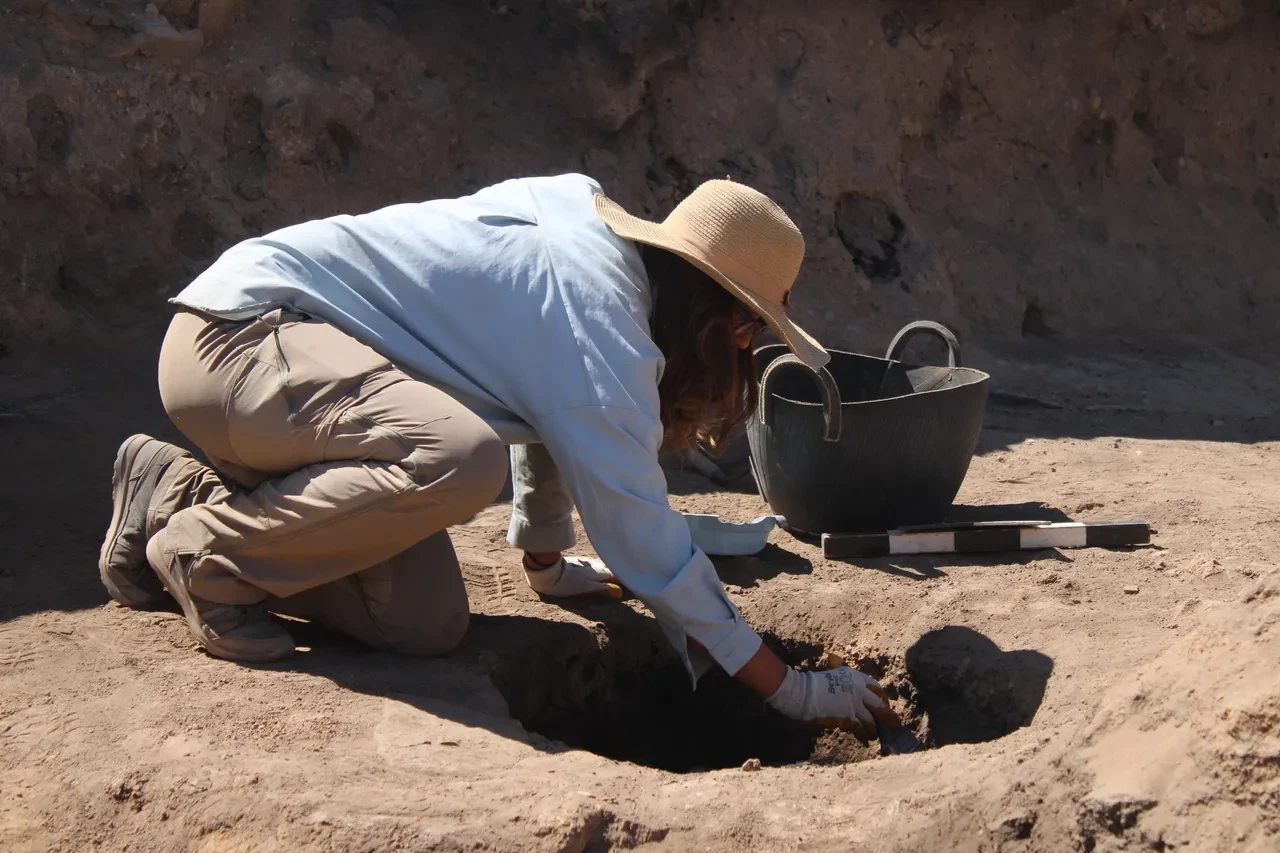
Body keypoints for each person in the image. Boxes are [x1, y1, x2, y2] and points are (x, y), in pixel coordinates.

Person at [97, 173, 901, 740]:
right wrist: (790, 689)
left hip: (304, 400)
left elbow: (544, 399)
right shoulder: (606, 332)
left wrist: (549, 564)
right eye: (749, 327)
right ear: (722, 318)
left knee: (422, 621)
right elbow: (650, 544)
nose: (746, 347)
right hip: (240, 337)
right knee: (458, 454)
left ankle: (172, 492)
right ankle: (208, 556)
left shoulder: (596, 266)